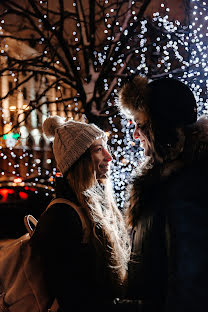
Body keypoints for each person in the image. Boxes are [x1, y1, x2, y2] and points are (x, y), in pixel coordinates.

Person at [118, 76, 208, 312]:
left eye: (139, 123)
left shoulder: (189, 187)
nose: (135, 134)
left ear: (161, 127)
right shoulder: (161, 183)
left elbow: (190, 292)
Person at [30, 116, 131, 312]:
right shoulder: (63, 216)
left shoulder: (91, 206)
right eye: (98, 149)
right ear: (79, 161)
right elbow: (75, 299)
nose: (109, 157)